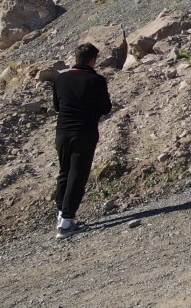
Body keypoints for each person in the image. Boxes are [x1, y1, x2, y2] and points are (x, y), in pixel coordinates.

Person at [51, 42, 112, 239]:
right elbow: (105, 108)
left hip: (62, 133)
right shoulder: (96, 80)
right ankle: (66, 224)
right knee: (78, 174)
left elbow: (57, 106)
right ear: (93, 60)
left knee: (64, 172)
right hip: (84, 132)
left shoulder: (61, 78)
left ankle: (61, 215)